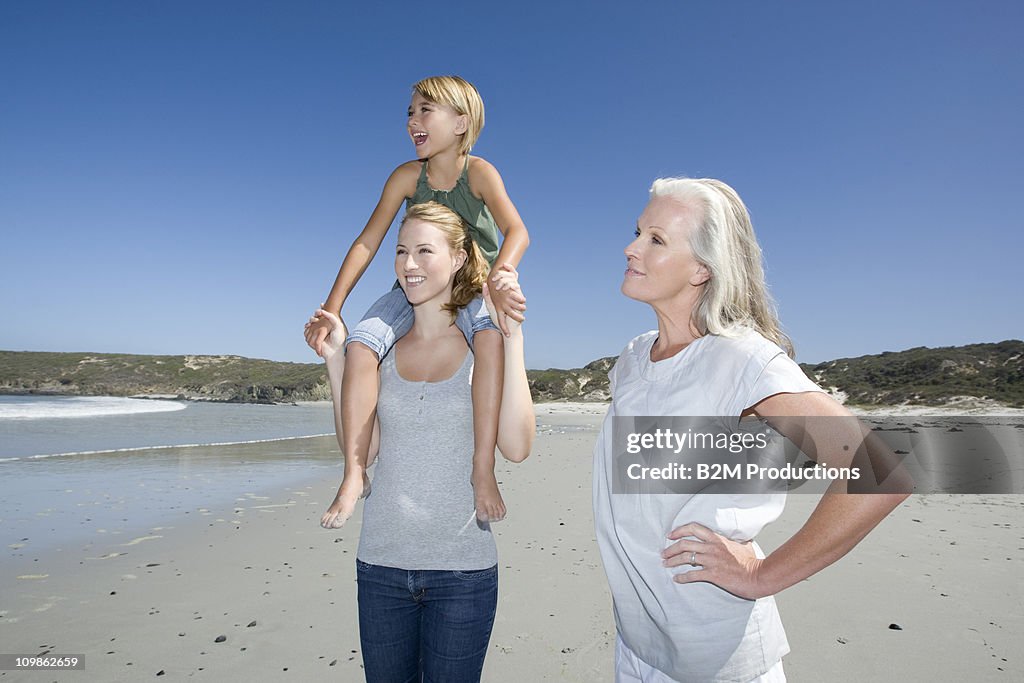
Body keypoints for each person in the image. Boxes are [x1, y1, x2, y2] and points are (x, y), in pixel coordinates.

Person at [593, 177, 912, 682]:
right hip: (639, 648)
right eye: (637, 231)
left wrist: (762, 574)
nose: (630, 247)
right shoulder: (633, 359)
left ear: (703, 268)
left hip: (717, 658)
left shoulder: (741, 360)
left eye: (656, 239)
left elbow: (879, 472)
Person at [320, 201, 534, 682]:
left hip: (462, 572)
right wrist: (335, 358)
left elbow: (517, 447)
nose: (408, 264)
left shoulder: (485, 347)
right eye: (400, 252)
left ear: (458, 258)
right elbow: (365, 448)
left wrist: (514, 335)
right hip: (381, 567)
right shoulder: (383, 350)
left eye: (423, 251)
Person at [304, 75, 531, 524]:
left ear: (461, 122)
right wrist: (333, 308)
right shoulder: (407, 176)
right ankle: (353, 473)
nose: (413, 120)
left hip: (473, 286)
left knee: (489, 342)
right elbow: (368, 242)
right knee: (362, 342)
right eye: (410, 112)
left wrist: (501, 273)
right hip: (411, 291)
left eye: (425, 110)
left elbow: (518, 231)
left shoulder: (480, 173)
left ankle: (482, 469)